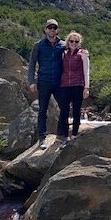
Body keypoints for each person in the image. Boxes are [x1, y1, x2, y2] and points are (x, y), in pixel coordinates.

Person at [28, 19, 67, 149]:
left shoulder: (63, 45)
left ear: (57, 30)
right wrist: (32, 81)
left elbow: (72, 58)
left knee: (64, 108)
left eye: (54, 28)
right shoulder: (38, 45)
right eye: (49, 28)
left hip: (59, 82)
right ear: (45, 30)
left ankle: (62, 137)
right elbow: (32, 63)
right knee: (42, 110)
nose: (52, 30)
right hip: (43, 81)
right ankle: (42, 138)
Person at [57, 31, 90, 146]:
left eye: (76, 41)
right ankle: (66, 137)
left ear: (79, 43)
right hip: (65, 85)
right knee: (64, 111)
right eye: (71, 41)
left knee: (76, 111)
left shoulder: (83, 54)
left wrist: (86, 87)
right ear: (68, 42)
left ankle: (74, 135)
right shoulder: (63, 54)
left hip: (78, 85)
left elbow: (86, 71)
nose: (74, 43)